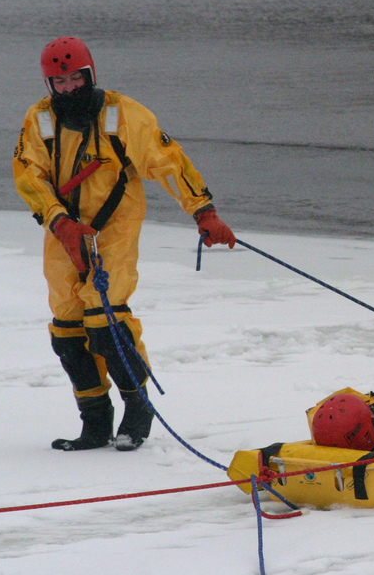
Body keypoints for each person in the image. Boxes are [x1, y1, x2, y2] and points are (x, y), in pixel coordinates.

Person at [12, 36, 236, 452]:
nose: (69, 88)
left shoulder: (124, 115)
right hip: (62, 233)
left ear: (90, 75)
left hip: (113, 230)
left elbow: (169, 162)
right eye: (59, 82)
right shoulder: (39, 120)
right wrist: (60, 223)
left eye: (76, 78)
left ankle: (137, 408)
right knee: (66, 331)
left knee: (105, 321)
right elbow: (28, 175)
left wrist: (203, 212)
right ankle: (95, 423)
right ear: (49, 84)